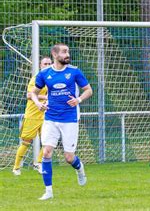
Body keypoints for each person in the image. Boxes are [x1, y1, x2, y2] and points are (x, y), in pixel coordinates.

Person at [30, 43, 93, 200]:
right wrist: (38, 103)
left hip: (69, 118)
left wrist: (78, 99)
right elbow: (33, 93)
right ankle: (48, 191)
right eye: (64, 52)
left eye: (68, 51)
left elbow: (89, 90)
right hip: (51, 118)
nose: (67, 54)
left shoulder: (74, 72)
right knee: (46, 152)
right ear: (54, 54)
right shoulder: (45, 74)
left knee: (68, 158)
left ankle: (79, 169)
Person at [12, 56, 52, 176]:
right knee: (26, 142)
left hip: (46, 115)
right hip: (32, 115)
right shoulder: (36, 78)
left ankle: (39, 163)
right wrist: (45, 97)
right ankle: (16, 167)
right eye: (45, 63)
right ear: (40, 66)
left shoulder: (52, 79)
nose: (48, 65)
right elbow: (29, 95)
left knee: (48, 141)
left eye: (50, 63)